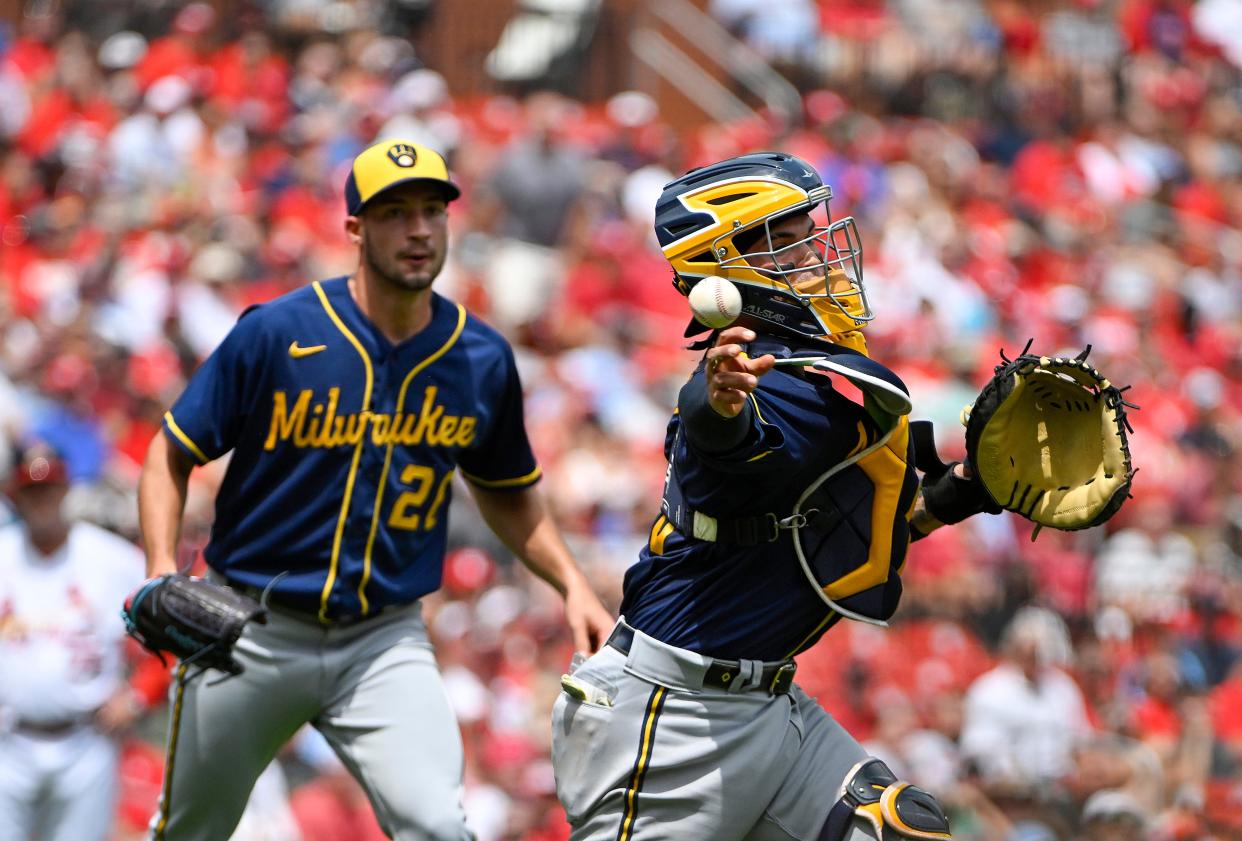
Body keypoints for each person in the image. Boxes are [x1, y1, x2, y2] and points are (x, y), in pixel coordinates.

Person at [136, 139, 614, 841]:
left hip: (380, 638)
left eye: (431, 210)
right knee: (189, 832)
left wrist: (571, 582)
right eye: (394, 213)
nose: (418, 230)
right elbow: (169, 453)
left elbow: (507, 487)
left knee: (438, 826)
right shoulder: (279, 332)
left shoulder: (480, 357)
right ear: (355, 229)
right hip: (249, 625)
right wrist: (157, 568)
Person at [549, 152, 998, 841]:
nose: (817, 251)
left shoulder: (806, 375)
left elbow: (841, 518)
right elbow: (719, 437)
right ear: (726, 264)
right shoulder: (752, 381)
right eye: (787, 238)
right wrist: (716, 401)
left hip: (767, 705)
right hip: (671, 721)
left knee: (902, 831)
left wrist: (962, 488)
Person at [0, 444, 149, 841]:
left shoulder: (112, 558)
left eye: (50, 489)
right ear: (14, 495)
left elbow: (167, 635)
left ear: (66, 490)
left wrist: (136, 695)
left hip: (87, 741)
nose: (42, 500)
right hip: (8, 742)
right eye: (32, 492)